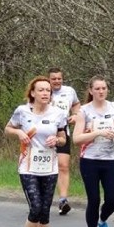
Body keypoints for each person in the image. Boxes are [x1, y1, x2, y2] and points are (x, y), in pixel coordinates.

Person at [5, 76, 67, 227]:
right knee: (36, 207)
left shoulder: (58, 113)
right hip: (28, 166)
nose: (45, 93)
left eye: (48, 90)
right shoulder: (22, 111)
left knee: (45, 211)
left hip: (49, 166)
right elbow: (8, 128)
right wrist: (19, 133)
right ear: (32, 92)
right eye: (41, 90)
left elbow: (63, 138)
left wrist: (57, 141)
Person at [72, 75, 114, 227]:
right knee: (94, 199)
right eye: (97, 89)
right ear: (91, 91)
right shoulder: (84, 111)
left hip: (110, 159)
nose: (101, 91)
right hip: (90, 160)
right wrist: (97, 133)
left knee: (112, 199)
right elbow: (77, 139)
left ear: (107, 90)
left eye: (103, 88)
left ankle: (102, 220)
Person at [48, 67, 81, 215]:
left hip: (63, 134)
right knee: (46, 167)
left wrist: (75, 115)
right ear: (49, 80)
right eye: (53, 78)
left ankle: (63, 200)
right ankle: (42, 198)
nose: (56, 81)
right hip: (45, 135)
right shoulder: (43, 91)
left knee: (63, 166)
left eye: (59, 78)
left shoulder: (69, 91)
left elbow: (76, 104)